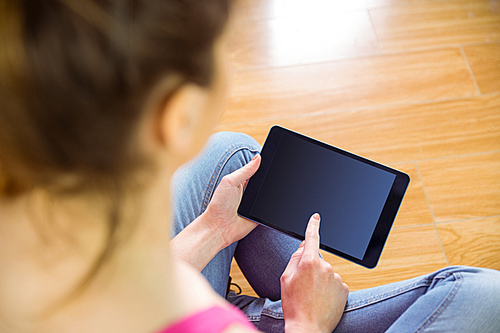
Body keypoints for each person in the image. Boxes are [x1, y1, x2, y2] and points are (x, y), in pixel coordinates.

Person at [0, 1, 498, 332]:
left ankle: (288, 304)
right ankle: (292, 311)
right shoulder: (187, 312)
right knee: (482, 295)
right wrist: (307, 323)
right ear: (176, 115)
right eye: (223, 51)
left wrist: (214, 230)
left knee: (235, 157)